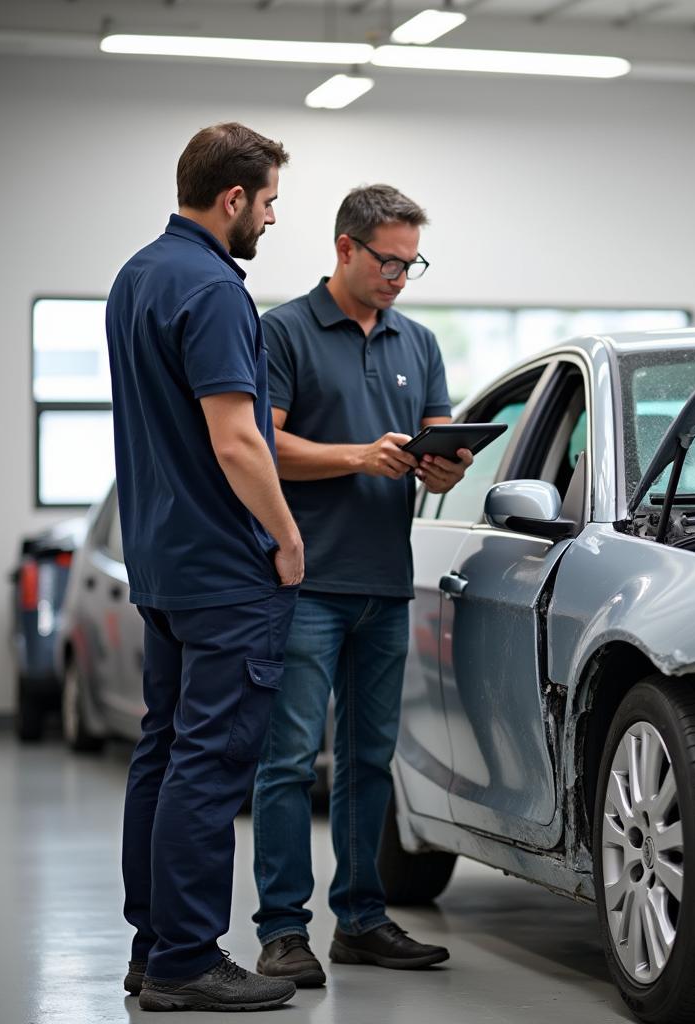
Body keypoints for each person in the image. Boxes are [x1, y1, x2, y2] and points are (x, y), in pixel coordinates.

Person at [106, 122, 305, 1013]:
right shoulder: (217, 290)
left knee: (164, 752)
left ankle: (154, 948)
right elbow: (236, 437)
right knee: (210, 761)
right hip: (225, 565)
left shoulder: (137, 274)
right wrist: (287, 536)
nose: (269, 219)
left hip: (160, 560)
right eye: (267, 203)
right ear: (233, 200)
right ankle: (189, 957)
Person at [251, 185, 471, 985]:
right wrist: (357, 455)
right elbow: (262, 447)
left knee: (371, 760)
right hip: (307, 581)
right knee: (287, 761)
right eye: (389, 261)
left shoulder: (420, 342)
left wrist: (446, 463)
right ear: (345, 248)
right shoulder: (281, 333)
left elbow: (437, 451)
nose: (401, 277)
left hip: (387, 581)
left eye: (412, 264)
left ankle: (363, 919)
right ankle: (282, 930)